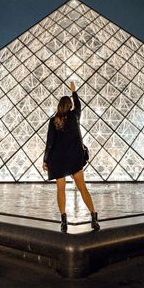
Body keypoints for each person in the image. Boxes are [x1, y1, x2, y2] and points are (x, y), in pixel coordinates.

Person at [43, 81, 100, 232]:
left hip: (58, 160)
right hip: (74, 158)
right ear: (69, 105)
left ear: (59, 106)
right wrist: (74, 91)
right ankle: (93, 218)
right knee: (83, 189)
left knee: (60, 190)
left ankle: (64, 221)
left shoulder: (53, 121)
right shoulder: (75, 115)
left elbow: (50, 142)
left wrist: (45, 160)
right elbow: (78, 105)